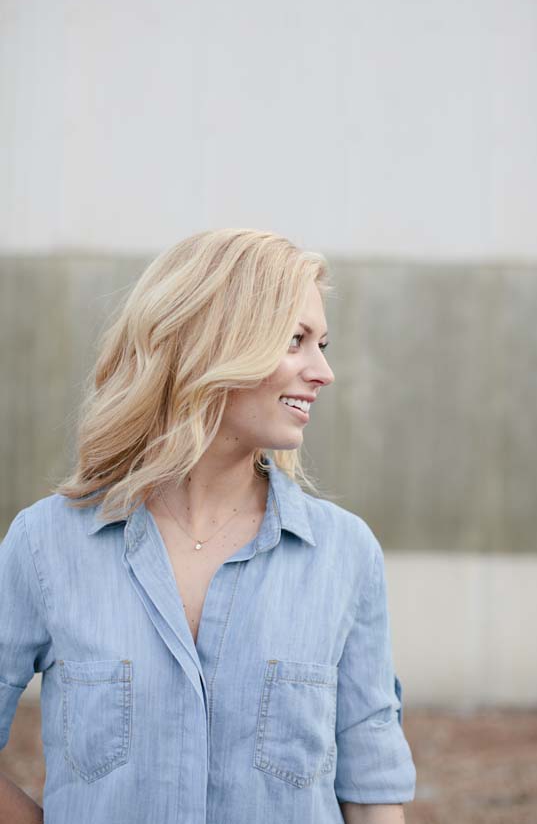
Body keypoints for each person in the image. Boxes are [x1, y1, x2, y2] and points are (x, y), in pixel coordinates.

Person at [0, 229, 417, 824]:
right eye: (295, 340)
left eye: (322, 343)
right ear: (211, 344)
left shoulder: (345, 553)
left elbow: (372, 786)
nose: (323, 372)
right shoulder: (45, 545)